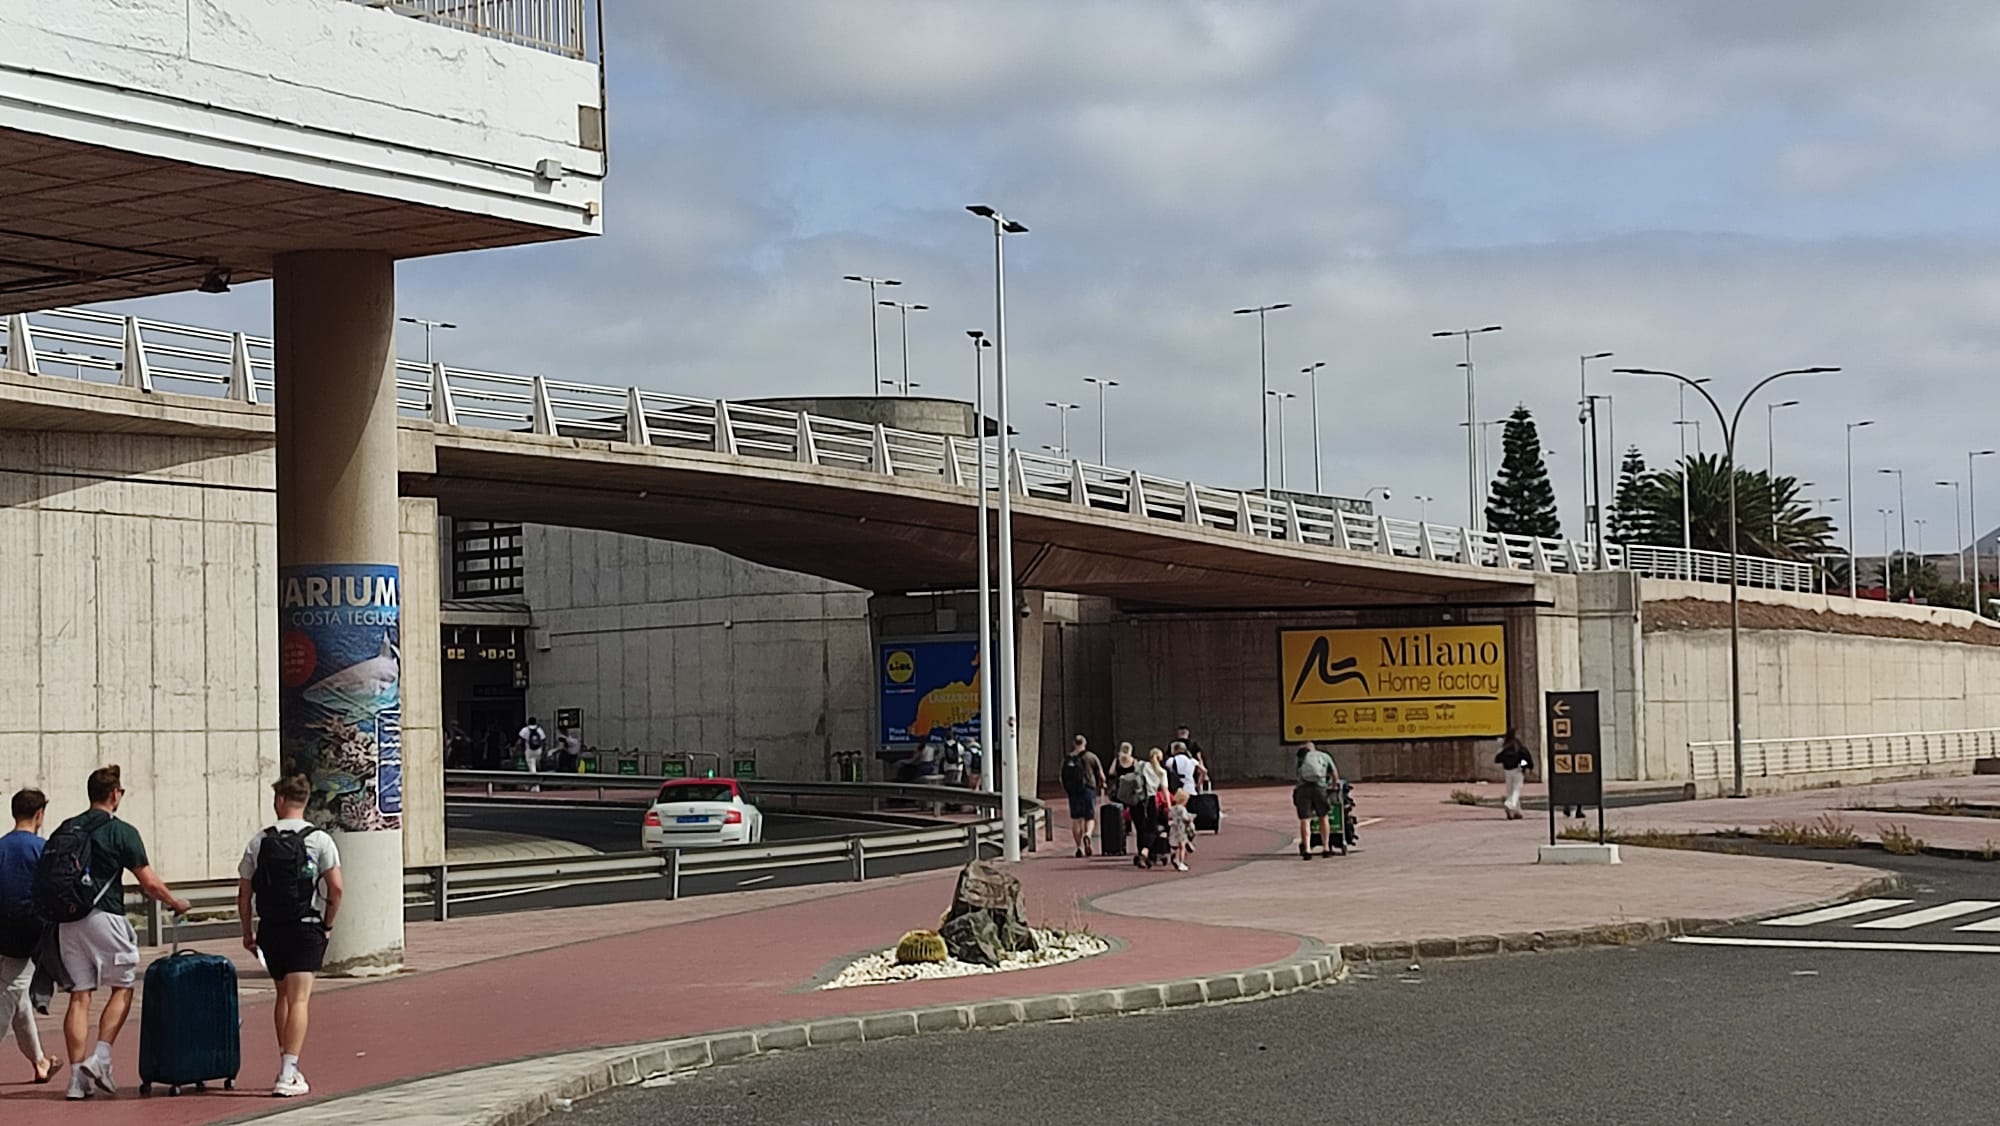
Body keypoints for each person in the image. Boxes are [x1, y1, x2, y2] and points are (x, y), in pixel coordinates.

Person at [49, 765, 190, 1100]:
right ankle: (102, 1057)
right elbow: (150, 883)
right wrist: (176, 902)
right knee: (123, 987)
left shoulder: (68, 827)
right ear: (115, 794)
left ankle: (75, 1080)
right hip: (105, 916)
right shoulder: (121, 831)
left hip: (68, 920)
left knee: (79, 995)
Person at [238, 775, 343, 1098]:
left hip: (271, 927)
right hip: (305, 925)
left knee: (282, 995)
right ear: (305, 801)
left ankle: (286, 1064)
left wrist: (248, 931)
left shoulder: (259, 841)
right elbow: (336, 889)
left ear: (280, 801)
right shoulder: (320, 840)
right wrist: (327, 924)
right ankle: (288, 1071)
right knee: (300, 999)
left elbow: (243, 894)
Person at [0, 789, 58, 1085]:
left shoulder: (1, 847)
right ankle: (40, 1062)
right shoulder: (43, 850)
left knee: (19, 999)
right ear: (39, 815)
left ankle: (40, 1062)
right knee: (7, 999)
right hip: (24, 938)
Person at [1059, 735, 1107, 858]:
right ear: (1085, 743)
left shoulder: (1068, 758)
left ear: (1074, 744)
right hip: (1088, 789)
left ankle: (1078, 847)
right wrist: (1103, 784)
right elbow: (1101, 775)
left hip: (1073, 791)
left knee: (1076, 819)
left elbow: (1062, 777)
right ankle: (1088, 834)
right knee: (1089, 817)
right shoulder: (1091, 756)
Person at [1293, 741, 1340, 860]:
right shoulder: (1324, 756)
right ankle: (1326, 848)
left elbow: (1298, 774)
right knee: (1323, 817)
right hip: (1319, 788)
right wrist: (1333, 787)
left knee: (1305, 820)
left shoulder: (1301, 757)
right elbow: (1334, 774)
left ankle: (1307, 849)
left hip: (1303, 790)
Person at [1130, 748, 1172, 869]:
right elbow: (1165, 791)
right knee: (1152, 829)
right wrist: (1169, 807)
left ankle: (1141, 854)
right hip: (1150, 801)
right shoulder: (1161, 772)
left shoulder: (1141, 765)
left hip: (1136, 801)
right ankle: (1145, 853)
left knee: (1140, 829)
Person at [1495, 731, 1534, 820]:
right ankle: (1510, 804)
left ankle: (1517, 812)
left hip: (1507, 771)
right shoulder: (1518, 746)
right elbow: (1525, 757)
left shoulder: (1505, 747)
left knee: (1509, 790)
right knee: (1516, 789)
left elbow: (1497, 759)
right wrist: (1527, 767)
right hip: (1518, 770)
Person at [1167, 790, 1195, 872]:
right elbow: (1185, 818)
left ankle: (1175, 857)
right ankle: (1181, 862)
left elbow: (1170, 816)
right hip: (1181, 829)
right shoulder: (1182, 809)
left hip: (1174, 829)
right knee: (1182, 847)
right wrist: (1191, 818)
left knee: (1177, 846)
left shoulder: (1173, 808)